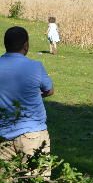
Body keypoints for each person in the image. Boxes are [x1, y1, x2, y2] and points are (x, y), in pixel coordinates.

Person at [0, 27, 54, 164]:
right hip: (33, 134)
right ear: (26, 45)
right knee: (36, 182)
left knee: (6, 182)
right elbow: (50, 90)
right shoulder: (35, 66)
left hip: (3, 133)